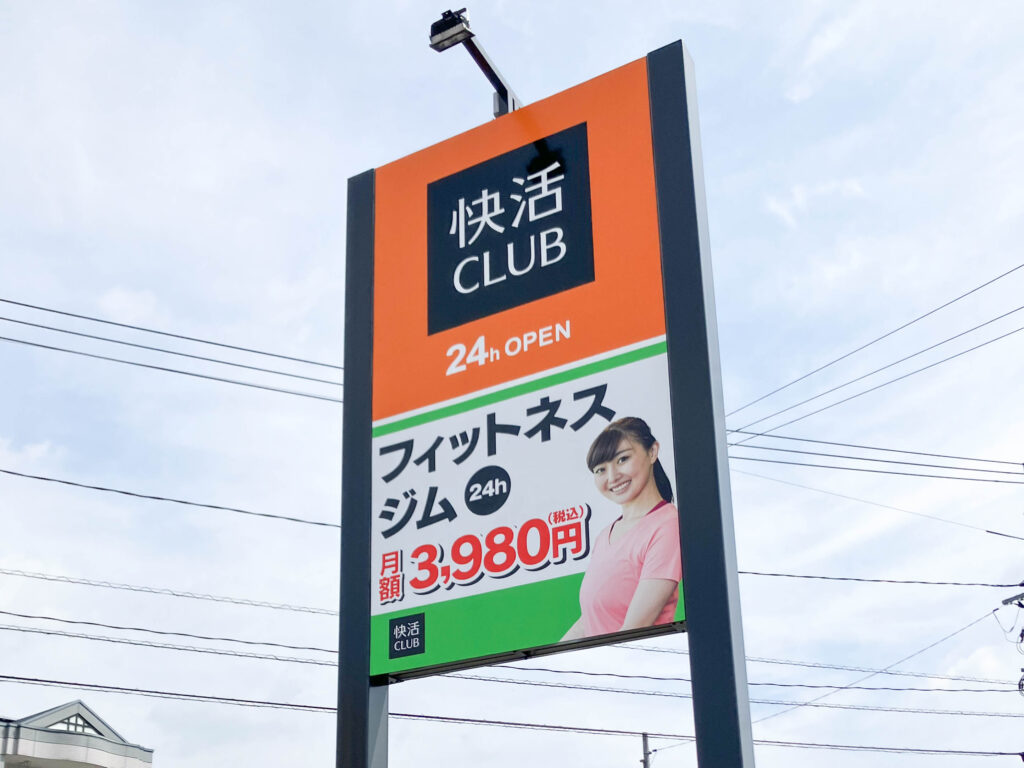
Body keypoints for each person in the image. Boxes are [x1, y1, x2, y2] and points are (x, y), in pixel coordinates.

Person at [561, 417, 681, 641]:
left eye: (622, 459)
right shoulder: (604, 536)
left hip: (633, 660)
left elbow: (635, 628)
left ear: (652, 452)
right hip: (598, 661)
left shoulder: (667, 524)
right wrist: (555, 655)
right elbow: (591, 618)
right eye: (600, 470)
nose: (612, 477)